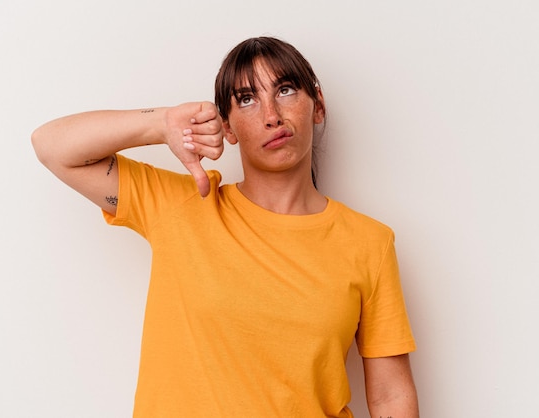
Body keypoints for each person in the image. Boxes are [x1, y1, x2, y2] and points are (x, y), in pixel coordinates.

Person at [32, 36, 419, 418]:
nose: (272, 115)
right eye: (246, 99)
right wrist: (162, 124)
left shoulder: (370, 242)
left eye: (285, 90)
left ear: (317, 105)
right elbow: (53, 147)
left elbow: (390, 396)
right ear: (227, 128)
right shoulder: (182, 207)